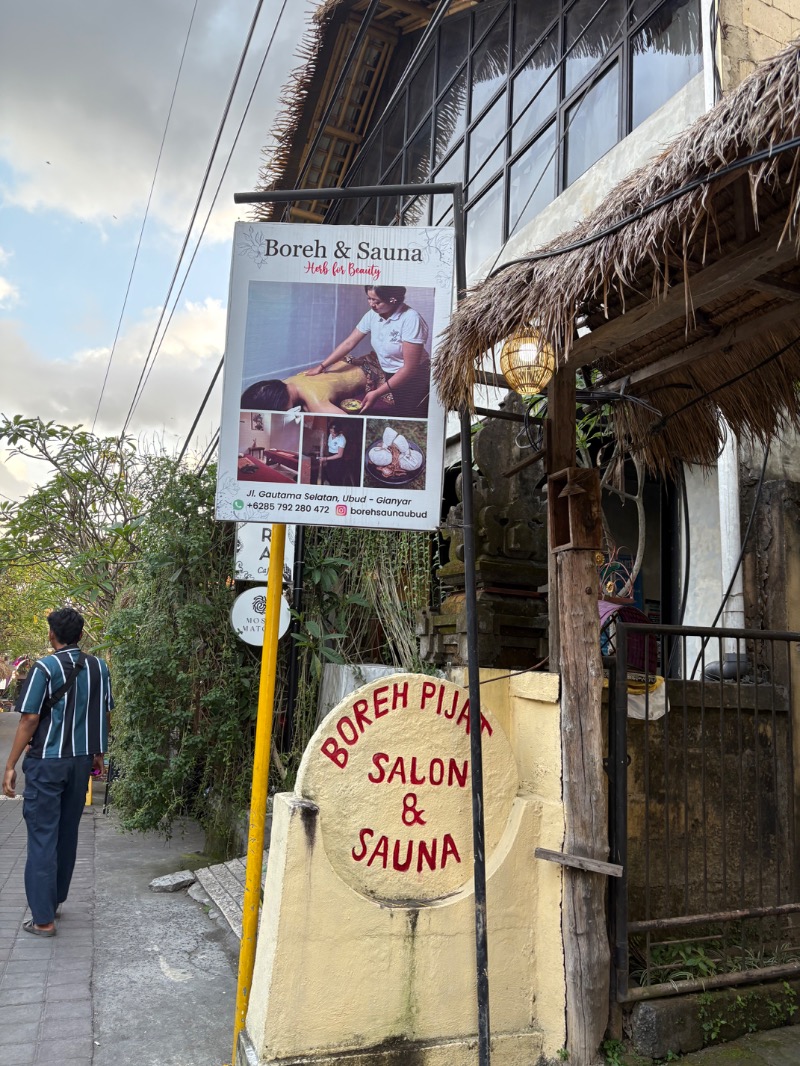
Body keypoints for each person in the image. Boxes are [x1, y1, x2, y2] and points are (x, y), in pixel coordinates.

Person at [2, 607, 112, 936]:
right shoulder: (99, 667)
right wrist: (98, 754)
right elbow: (102, 714)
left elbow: (29, 719)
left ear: (52, 635)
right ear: (80, 635)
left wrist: (10, 764)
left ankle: (43, 919)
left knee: (42, 836)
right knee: (66, 833)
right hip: (80, 763)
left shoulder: (44, 668)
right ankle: (55, 901)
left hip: (47, 762)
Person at [306, 286, 430, 417]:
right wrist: (321, 366)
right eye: (369, 299)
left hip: (416, 377)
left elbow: (409, 369)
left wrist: (376, 393)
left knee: (414, 415)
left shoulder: (411, 319)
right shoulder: (372, 315)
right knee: (401, 412)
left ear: (393, 300)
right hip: (391, 373)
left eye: (377, 301)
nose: (372, 304)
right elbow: (349, 343)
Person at [241, 356, 383, 415]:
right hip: (351, 361)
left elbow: (350, 422)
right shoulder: (287, 381)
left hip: (373, 374)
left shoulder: (316, 404)